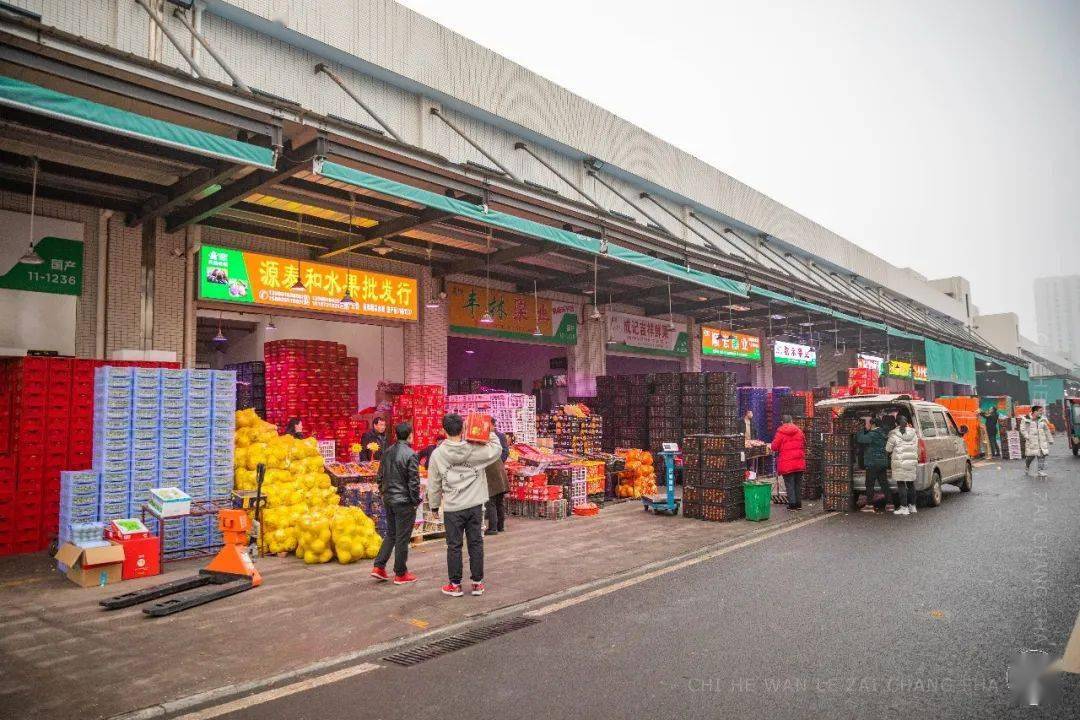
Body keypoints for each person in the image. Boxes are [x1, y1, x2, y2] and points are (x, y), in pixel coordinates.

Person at [427, 413, 503, 597]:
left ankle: (455, 585)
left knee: (454, 546)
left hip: (453, 507)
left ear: (444, 430)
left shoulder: (437, 454)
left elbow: (434, 483)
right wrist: (487, 430)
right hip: (475, 504)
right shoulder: (475, 449)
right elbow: (497, 449)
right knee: (476, 543)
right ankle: (477, 583)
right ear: (463, 429)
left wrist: (434, 506)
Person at [370, 422, 421, 584]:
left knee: (392, 533)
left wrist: (384, 492)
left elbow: (379, 477)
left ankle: (379, 566)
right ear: (410, 435)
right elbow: (414, 482)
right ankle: (400, 573)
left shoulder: (387, 452)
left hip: (389, 499)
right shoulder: (411, 454)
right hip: (404, 501)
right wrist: (415, 500)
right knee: (402, 537)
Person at [771, 414, 806, 510]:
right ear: (791, 421)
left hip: (787, 463)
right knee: (798, 484)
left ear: (782, 422)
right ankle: (798, 504)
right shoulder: (799, 431)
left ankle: (792, 505)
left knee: (789, 484)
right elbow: (804, 443)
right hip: (799, 461)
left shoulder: (780, 432)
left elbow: (774, 447)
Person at [886, 415, 919, 515]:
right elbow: (916, 446)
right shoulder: (913, 433)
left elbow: (888, 449)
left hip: (899, 462)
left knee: (901, 484)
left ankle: (904, 507)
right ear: (907, 422)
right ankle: (913, 506)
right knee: (910, 484)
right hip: (911, 462)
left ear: (896, 423)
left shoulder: (894, 434)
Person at [857, 416, 891, 513]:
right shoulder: (883, 433)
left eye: (870, 424)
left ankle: (869, 505)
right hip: (882, 462)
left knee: (869, 484)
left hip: (872, 463)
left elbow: (860, 439)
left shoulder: (872, 434)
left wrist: (861, 429)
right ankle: (890, 504)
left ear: (873, 424)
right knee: (884, 484)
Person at [484, 428, 510, 534]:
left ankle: (493, 528)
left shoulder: (485, 452)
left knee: (491, 503)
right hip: (501, 478)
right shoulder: (495, 449)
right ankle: (500, 526)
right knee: (499, 503)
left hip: (492, 480)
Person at [1021, 406, 1053, 478]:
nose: (1042, 412)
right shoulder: (1026, 419)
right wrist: (1027, 436)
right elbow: (1023, 429)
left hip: (1041, 441)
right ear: (1035, 412)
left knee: (1042, 456)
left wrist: (1050, 439)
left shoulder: (1042, 419)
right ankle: (1027, 466)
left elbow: (1046, 430)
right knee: (1030, 457)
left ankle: (1040, 471)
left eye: (1042, 411)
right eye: (1040, 411)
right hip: (1032, 442)